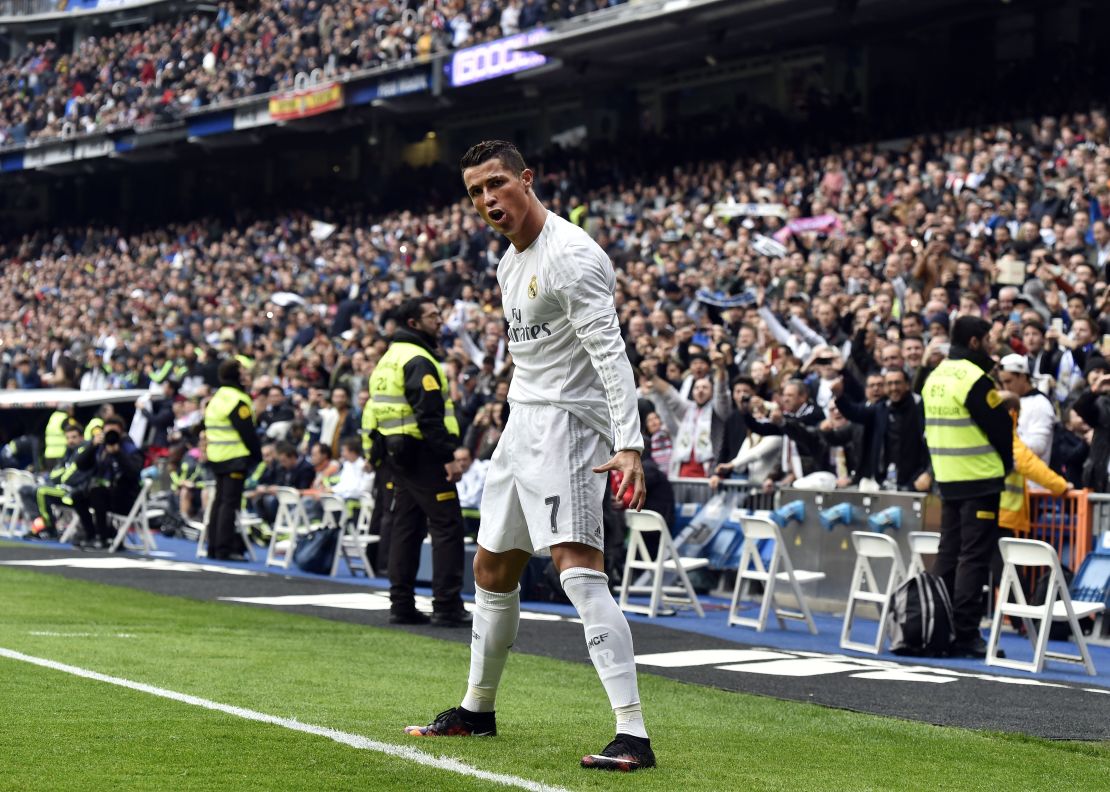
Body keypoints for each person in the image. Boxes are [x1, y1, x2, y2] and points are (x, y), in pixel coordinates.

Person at [405, 140, 655, 773]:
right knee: (491, 569)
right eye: (476, 192)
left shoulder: (572, 257)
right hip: (523, 423)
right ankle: (477, 709)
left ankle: (633, 733)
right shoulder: (508, 265)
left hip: (570, 426)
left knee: (576, 568)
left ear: (527, 179)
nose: (489, 200)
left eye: (497, 184)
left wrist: (628, 444)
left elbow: (610, 356)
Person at [365, 296, 469, 627]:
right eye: (433, 315)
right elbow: (430, 416)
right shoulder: (419, 360)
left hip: (396, 455)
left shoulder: (387, 359)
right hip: (424, 454)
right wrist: (448, 457)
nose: (440, 320)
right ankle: (447, 604)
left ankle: (401, 604)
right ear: (414, 323)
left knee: (406, 528)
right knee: (447, 526)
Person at [922, 316, 1013, 658]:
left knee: (948, 554)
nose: (991, 345)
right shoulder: (974, 378)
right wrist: (1004, 465)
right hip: (979, 478)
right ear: (975, 342)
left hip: (948, 477)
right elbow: (1001, 428)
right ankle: (965, 634)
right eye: (988, 340)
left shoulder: (935, 377)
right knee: (973, 558)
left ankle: (938, 628)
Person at [203, 358, 262, 561]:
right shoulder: (237, 399)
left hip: (216, 456)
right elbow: (247, 432)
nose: (246, 375)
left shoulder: (217, 397)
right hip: (234, 457)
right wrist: (257, 455)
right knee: (229, 503)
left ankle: (212, 546)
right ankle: (224, 548)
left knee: (219, 502)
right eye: (243, 371)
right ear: (236, 374)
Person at [71, 416, 143, 549]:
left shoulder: (129, 448)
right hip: (103, 495)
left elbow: (134, 472)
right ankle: (91, 534)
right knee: (77, 496)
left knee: (98, 492)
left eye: (114, 432)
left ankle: (102, 536)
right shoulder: (100, 447)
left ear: (121, 433)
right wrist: (92, 446)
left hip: (125, 498)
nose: (110, 435)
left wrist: (118, 453)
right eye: (107, 432)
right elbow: (80, 465)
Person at [19, 422, 91, 540]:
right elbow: (56, 474)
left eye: (74, 437)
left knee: (41, 491)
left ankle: (49, 528)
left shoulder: (84, 452)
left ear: (81, 437)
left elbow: (73, 476)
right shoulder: (68, 452)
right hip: (60, 488)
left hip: (73, 491)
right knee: (25, 490)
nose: (70, 441)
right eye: (68, 438)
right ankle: (38, 525)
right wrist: (53, 478)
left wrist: (60, 477)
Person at [997, 354, 1056, 464]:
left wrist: (1005, 438)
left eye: (1009, 381)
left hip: (1034, 477)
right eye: (1002, 382)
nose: (1005, 387)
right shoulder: (1008, 401)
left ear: (1023, 377)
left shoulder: (1040, 404)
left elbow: (1038, 447)